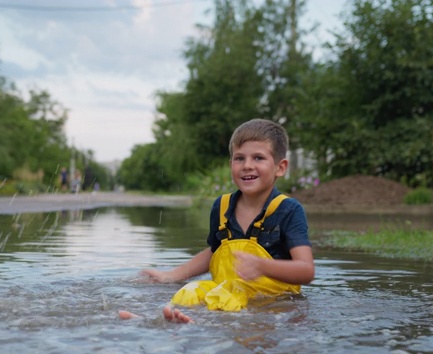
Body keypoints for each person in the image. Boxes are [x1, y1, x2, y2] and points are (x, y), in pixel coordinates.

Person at [120, 118, 314, 323]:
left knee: (226, 295)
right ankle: (156, 319)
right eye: (239, 158)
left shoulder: (289, 210)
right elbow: (214, 252)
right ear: (231, 164)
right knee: (191, 291)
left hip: (272, 303)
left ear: (280, 167)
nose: (247, 166)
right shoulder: (221, 207)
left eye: (258, 158)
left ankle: (198, 323)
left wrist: (263, 266)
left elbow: (306, 270)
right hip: (225, 291)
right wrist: (170, 276)